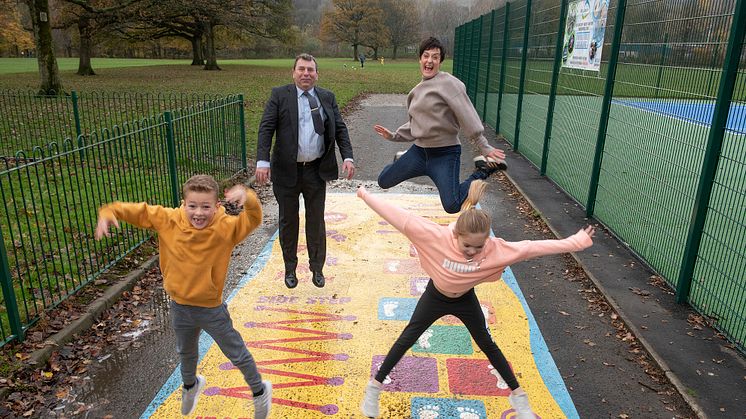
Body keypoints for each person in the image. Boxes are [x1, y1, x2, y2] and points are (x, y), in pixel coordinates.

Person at [356, 182, 595, 419]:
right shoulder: (436, 236)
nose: (472, 251)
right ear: (456, 235)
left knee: (487, 343)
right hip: (435, 296)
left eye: (478, 247)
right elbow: (399, 217)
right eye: (467, 245)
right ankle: (374, 388)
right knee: (408, 336)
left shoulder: (495, 250)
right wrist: (365, 194)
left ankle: (519, 397)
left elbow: (532, 248)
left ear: (487, 241)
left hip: (464, 299)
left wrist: (575, 242)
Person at [94, 175, 272, 418]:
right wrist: (109, 211)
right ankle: (191, 386)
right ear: (183, 203)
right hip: (180, 306)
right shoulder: (168, 220)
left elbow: (253, 219)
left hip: (211, 309)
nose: (198, 213)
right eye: (193, 206)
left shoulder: (225, 229)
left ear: (217, 205)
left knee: (236, 352)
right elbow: (141, 211)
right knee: (185, 353)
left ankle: (260, 391)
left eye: (206, 207)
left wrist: (248, 197)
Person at [373, 37, 507, 214]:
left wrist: (484, 146)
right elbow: (417, 123)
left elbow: (467, 115)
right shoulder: (415, 92)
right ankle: (401, 159)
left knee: (452, 205)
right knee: (383, 181)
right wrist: (393, 135)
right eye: (426, 56)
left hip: (445, 154)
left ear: (440, 62)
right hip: (419, 153)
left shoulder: (450, 84)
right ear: (420, 59)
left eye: (435, 57)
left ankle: (482, 170)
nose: (430, 61)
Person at [256, 53, 355, 289]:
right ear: (294, 73)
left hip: (316, 171)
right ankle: (290, 269)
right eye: (301, 69)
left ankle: (317, 269)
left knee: (316, 222)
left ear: (317, 74)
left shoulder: (327, 97)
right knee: (288, 221)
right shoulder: (280, 96)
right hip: (286, 171)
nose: (306, 74)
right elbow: (266, 128)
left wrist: (348, 156)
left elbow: (340, 128)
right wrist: (262, 161)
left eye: (310, 70)